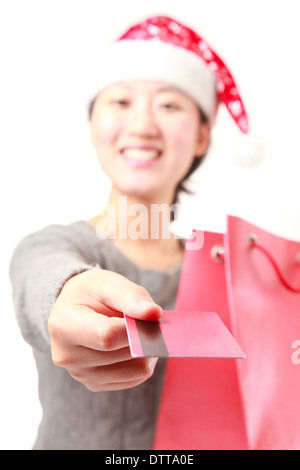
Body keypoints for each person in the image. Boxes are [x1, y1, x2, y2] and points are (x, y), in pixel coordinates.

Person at [9, 16, 248, 450]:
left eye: (170, 105)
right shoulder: (53, 246)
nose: (142, 125)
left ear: (201, 136)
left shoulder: (233, 277)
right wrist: (70, 293)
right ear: (93, 126)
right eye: (120, 102)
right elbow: (42, 280)